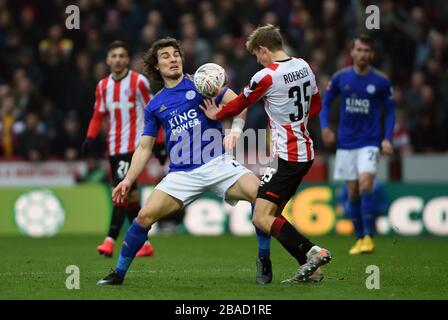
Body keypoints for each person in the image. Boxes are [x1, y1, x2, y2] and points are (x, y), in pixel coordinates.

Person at [96, 37, 261, 285]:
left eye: (176, 54)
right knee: (143, 217)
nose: (173, 59)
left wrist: (234, 130)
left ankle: (265, 259)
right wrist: (128, 180)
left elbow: (239, 103)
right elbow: (144, 147)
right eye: (165, 56)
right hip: (182, 174)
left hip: (218, 163)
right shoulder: (155, 105)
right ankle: (118, 273)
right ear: (156, 66)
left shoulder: (202, 83)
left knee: (262, 196)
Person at [199, 24, 332, 284]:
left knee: (261, 217)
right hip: (305, 150)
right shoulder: (304, 66)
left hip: (287, 157)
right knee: (271, 216)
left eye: (257, 55)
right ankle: (312, 270)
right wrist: (297, 124)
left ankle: (313, 251)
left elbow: (240, 103)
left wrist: (218, 114)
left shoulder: (267, 76)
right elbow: (316, 104)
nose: (257, 60)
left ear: (263, 49)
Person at [82, 40, 161, 258]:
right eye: (113, 56)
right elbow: (98, 115)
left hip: (134, 147)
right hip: (113, 148)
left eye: (121, 56)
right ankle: (144, 245)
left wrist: (160, 143)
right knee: (131, 198)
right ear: (108, 60)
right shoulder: (102, 86)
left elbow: (153, 111)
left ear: (127, 59)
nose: (117, 59)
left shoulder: (139, 82)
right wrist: (90, 137)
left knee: (120, 191)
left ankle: (109, 241)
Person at [319, 34, 396, 255]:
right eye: (359, 50)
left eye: (366, 51)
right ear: (352, 53)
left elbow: (390, 111)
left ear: (371, 54)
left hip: (370, 142)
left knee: (365, 184)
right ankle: (359, 237)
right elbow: (325, 104)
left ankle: (369, 237)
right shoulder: (340, 78)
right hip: (345, 142)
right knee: (352, 191)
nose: (362, 54)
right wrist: (325, 128)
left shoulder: (381, 81)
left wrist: (387, 138)